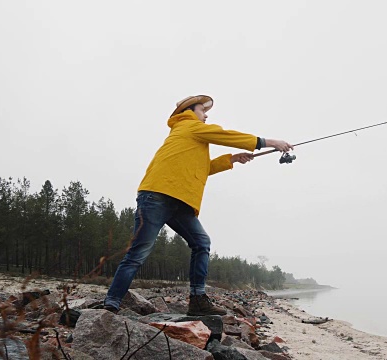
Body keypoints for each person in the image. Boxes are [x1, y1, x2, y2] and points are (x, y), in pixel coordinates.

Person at [102, 95, 293, 316]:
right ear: (189, 111)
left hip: (180, 202)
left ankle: (198, 300)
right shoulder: (189, 126)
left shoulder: (189, 135)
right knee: (138, 254)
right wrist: (271, 142)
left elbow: (200, 169)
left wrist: (231, 160)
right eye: (203, 110)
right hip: (157, 196)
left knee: (201, 242)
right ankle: (111, 304)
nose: (206, 114)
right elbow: (226, 135)